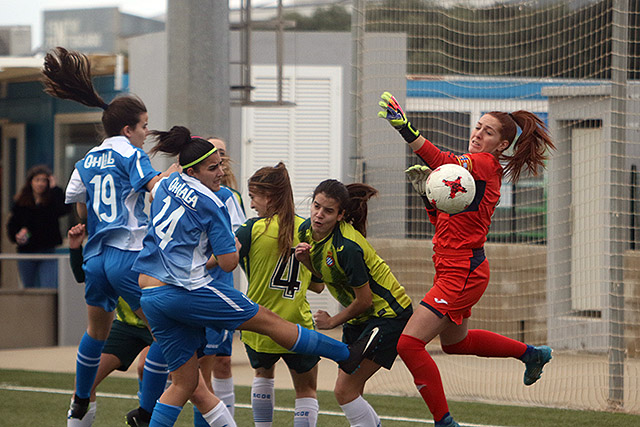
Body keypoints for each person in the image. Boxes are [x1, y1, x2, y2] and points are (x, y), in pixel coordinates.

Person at [133, 126, 379, 427]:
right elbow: (227, 264)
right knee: (271, 323)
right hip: (184, 290)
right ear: (194, 171)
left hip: (149, 293)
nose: (221, 172)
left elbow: (154, 190)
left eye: (221, 164)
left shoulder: (168, 182)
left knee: (184, 384)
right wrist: (233, 248)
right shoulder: (213, 203)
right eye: (213, 168)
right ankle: (345, 354)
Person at [378, 91, 555, 427]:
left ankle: (444, 422)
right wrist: (430, 201)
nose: (478, 134)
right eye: (478, 127)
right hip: (454, 267)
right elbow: (445, 224)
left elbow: (442, 159)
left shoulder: (485, 164)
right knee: (455, 345)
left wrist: (406, 130)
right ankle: (532, 354)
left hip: (462, 272)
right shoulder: (465, 178)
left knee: (409, 344)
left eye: (488, 131)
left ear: (502, 145)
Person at [41, 46, 179, 424]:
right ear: (127, 129)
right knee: (168, 330)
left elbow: (77, 202)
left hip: (96, 257)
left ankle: (81, 400)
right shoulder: (131, 155)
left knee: (95, 332)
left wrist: (91, 226)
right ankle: (148, 412)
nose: (147, 131)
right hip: (128, 254)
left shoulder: (87, 160)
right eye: (144, 124)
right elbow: (155, 189)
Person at [295, 179, 413, 427]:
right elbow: (318, 284)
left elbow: (365, 301)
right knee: (349, 390)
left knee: (344, 390)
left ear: (340, 215)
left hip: (388, 315)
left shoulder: (347, 247)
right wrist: (306, 261)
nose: (319, 215)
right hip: (360, 318)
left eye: (328, 211)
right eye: (316, 206)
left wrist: (332, 322)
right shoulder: (306, 231)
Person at [236, 162, 322, 427]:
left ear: (269, 197)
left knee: (263, 375)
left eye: (253, 197)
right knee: (306, 390)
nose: (251, 205)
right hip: (297, 323)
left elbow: (225, 260)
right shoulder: (308, 229)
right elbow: (318, 286)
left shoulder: (251, 230)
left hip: (259, 324)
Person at [67, 223, 153, 427]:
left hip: (153, 324)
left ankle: (148, 417)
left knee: (147, 367)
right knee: (84, 383)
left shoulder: (145, 234)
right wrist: (74, 248)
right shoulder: (105, 239)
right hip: (125, 326)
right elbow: (83, 276)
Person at [7, 164, 72, 288]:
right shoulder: (21, 202)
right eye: (37, 180)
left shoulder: (51, 200)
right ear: (31, 182)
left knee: (49, 286)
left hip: (47, 250)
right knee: (28, 287)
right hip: (26, 251)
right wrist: (17, 235)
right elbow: (12, 224)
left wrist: (55, 189)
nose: (40, 184)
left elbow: (64, 209)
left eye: (44, 180)